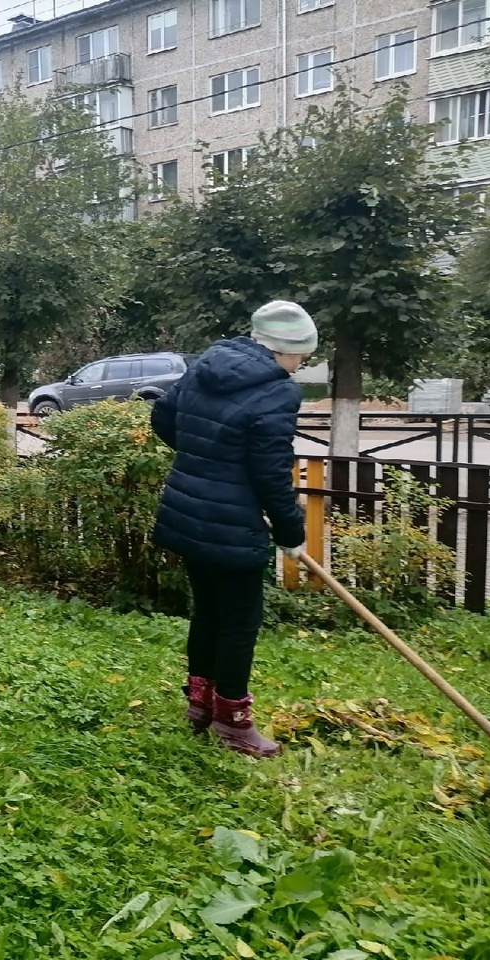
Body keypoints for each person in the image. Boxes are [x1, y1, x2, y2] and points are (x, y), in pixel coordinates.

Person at [150, 301, 315, 758]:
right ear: (285, 348)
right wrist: (291, 532)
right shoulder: (277, 393)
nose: (300, 366)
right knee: (240, 623)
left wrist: (205, 460)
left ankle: (199, 706)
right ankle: (233, 724)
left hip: (187, 512)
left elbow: (163, 416)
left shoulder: (207, 365)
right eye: (302, 356)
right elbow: (271, 472)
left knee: (207, 612)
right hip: (232, 523)